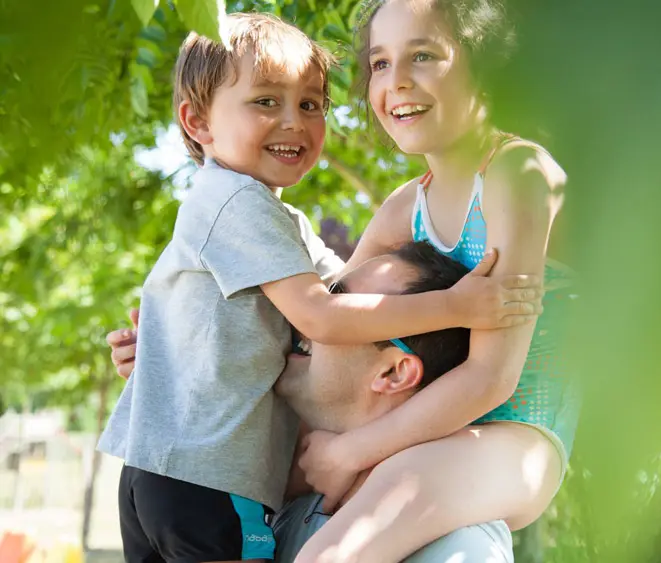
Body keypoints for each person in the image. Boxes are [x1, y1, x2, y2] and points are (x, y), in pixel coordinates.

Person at [97, 12, 541, 563]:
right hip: (205, 478)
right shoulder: (237, 204)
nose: (293, 122)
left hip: (163, 474)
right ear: (198, 122)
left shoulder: (279, 223)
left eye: (310, 104)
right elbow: (325, 319)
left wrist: (174, 353)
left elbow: (340, 297)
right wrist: (454, 305)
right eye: (266, 102)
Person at [290, 0, 582, 560]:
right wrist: (174, 345)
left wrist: (349, 452)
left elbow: (492, 377)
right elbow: (332, 318)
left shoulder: (517, 175)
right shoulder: (406, 208)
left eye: (422, 55)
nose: (396, 81)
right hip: (422, 427)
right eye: (379, 63)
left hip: (518, 435)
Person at [272, 240, 514, 562]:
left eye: (337, 302)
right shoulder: (273, 504)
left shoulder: (457, 550)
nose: (307, 314)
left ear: (393, 373)